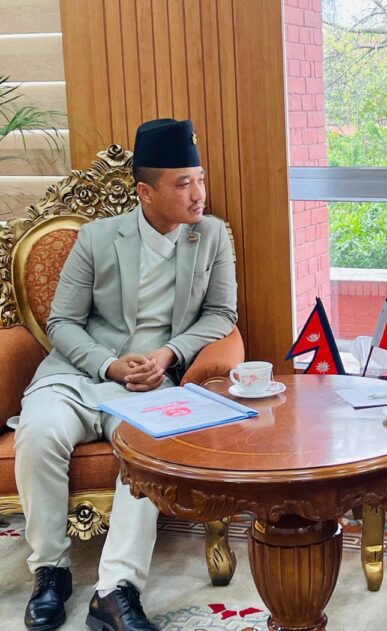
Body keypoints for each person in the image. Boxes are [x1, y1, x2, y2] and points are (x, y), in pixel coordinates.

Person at [10, 118, 238, 631]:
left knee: (147, 450)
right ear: (145, 192)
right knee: (39, 432)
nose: (198, 194)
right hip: (77, 375)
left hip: (151, 384)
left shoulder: (212, 236)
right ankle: (50, 572)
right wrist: (107, 363)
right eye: (183, 183)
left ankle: (115, 591)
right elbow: (61, 322)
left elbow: (222, 314)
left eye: (200, 179)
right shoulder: (96, 238)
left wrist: (168, 355)